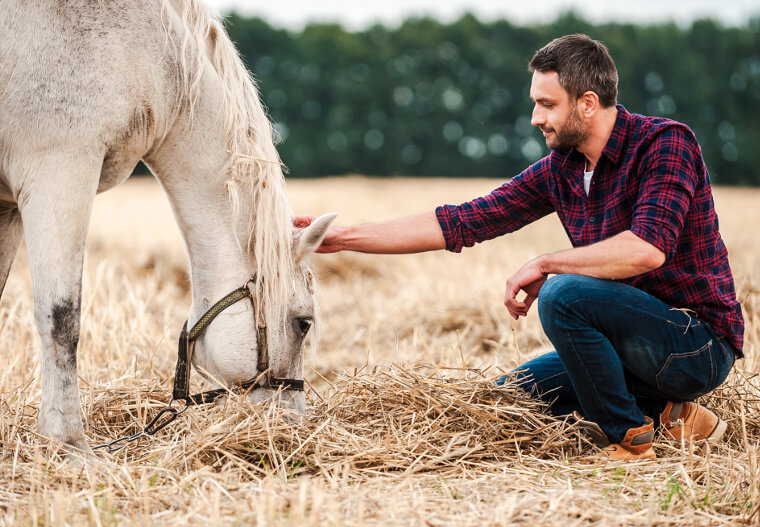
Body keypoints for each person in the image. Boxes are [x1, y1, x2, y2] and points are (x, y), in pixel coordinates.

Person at [294, 34, 744, 461]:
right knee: (512, 395)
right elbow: (461, 221)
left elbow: (645, 249)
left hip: (694, 345)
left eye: (547, 105)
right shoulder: (561, 169)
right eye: (535, 103)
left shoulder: (665, 144)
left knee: (564, 294)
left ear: (587, 104)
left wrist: (547, 263)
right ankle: (672, 415)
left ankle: (630, 439)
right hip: (629, 348)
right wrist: (340, 237)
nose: (535, 118)